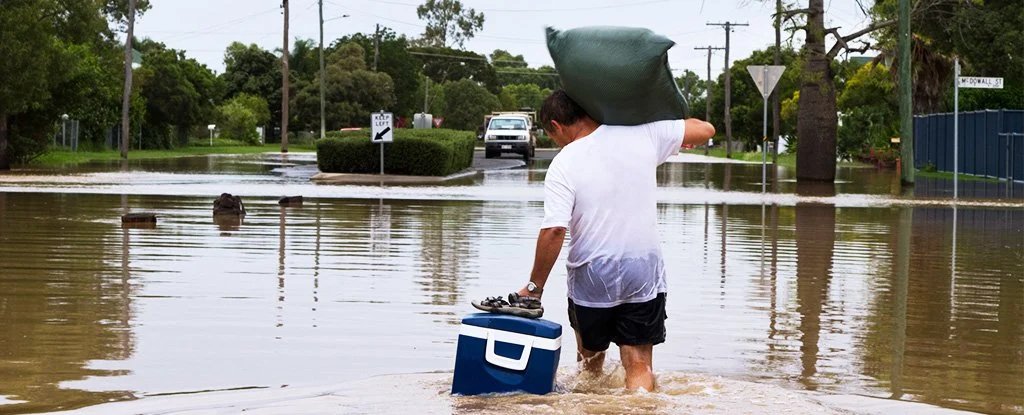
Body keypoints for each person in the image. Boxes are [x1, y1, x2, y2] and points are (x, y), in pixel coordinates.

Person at [515, 90, 715, 391]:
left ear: (556, 125)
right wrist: (660, 124)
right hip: (643, 271)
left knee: (589, 365)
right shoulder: (643, 134)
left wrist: (534, 288)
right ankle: (643, 408)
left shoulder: (564, 162)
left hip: (591, 274)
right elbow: (706, 130)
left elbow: (554, 230)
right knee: (639, 364)